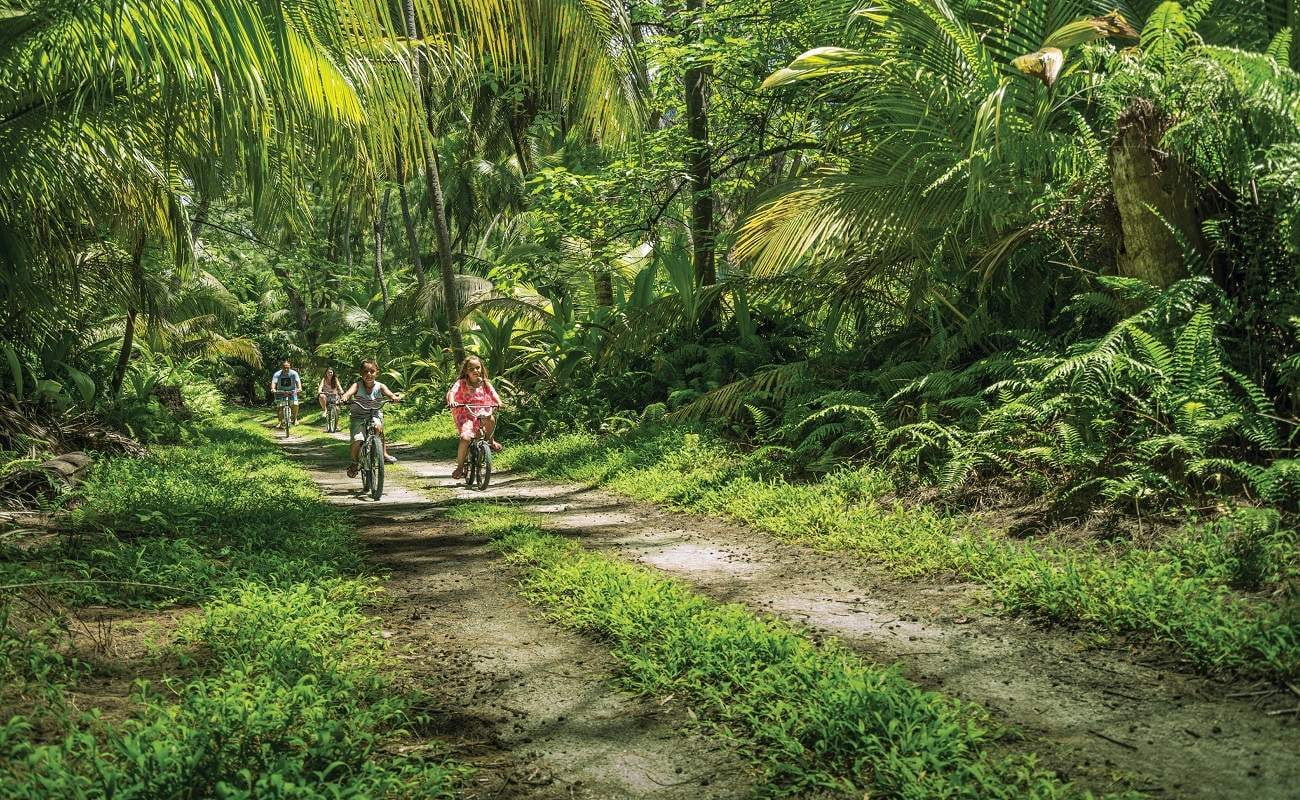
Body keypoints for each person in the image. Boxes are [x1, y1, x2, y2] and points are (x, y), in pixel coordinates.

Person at [340, 359, 402, 477]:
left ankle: (383, 453)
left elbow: (389, 393)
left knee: (378, 428)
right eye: (365, 372)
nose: (368, 374)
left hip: (374, 413)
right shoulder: (357, 385)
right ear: (361, 373)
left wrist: (394, 397)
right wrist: (345, 397)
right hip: (358, 416)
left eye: (372, 371)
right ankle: (354, 463)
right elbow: (348, 393)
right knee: (357, 440)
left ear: (376, 373)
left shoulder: (380, 386)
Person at [446, 355, 501, 480]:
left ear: (481, 368)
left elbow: (494, 393)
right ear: (466, 371)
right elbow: (452, 392)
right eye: (471, 369)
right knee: (465, 439)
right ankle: (460, 466)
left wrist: (499, 402)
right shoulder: (461, 383)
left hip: (481, 411)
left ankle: (490, 441)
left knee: (491, 419)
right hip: (465, 412)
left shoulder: (485, 383)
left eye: (478, 368)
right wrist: (452, 401)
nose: (475, 371)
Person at [269, 359, 301, 427]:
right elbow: (274, 382)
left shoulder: (294, 373)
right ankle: (280, 422)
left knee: (295, 404)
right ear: (282, 367)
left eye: (287, 367)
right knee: (280, 407)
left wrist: (299, 388)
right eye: (284, 367)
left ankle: (295, 419)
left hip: (292, 391)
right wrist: (273, 389)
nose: (286, 369)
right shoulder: (277, 374)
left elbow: (298, 382)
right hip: (281, 392)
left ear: (290, 366)